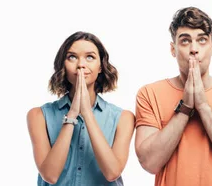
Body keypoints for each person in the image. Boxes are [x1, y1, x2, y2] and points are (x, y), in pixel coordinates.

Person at [134, 6, 212, 186]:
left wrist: (203, 106)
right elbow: (149, 163)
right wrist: (184, 108)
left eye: (202, 40)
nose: (194, 49)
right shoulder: (149, 93)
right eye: (185, 41)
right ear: (173, 49)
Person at [26, 31, 135, 186]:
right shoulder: (38, 115)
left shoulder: (123, 118)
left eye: (90, 57)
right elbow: (50, 175)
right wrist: (72, 115)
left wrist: (87, 114)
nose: (81, 65)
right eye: (72, 57)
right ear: (62, 65)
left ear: (101, 67)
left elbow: (112, 173)